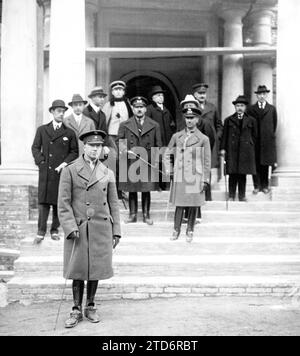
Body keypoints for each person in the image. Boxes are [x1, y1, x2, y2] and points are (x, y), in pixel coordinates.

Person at [58, 130, 121, 329]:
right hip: (78, 227)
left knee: (96, 269)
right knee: (77, 269)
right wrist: (69, 226)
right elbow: (63, 203)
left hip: (101, 227)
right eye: (92, 146)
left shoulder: (107, 172)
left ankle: (90, 306)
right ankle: (75, 308)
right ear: (84, 147)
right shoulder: (70, 170)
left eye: (99, 146)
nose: (95, 149)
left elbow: (114, 203)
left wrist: (116, 230)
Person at [31, 100, 78, 244]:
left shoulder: (69, 132)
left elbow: (74, 151)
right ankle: (41, 231)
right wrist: (41, 162)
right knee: (44, 202)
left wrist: (64, 164)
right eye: (58, 111)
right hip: (46, 172)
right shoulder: (42, 130)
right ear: (52, 112)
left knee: (59, 201)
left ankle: (55, 230)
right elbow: (35, 148)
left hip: (61, 172)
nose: (61, 113)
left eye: (63, 111)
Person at [164, 107, 211, 243]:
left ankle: (190, 230)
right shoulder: (177, 136)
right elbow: (167, 153)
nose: (189, 120)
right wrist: (169, 170)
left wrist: (205, 180)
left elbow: (207, 161)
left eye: (192, 118)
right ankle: (176, 229)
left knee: (193, 204)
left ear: (197, 120)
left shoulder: (203, 139)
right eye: (187, 118)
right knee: (179, 204)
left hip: (195, 175)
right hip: (180, 175)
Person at [118, 96, 162, 225]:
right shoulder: (124, 125)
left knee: (146, 189)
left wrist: (155, 160)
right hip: (131, 160)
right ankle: (132, 215)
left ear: (145, 109)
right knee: (132, 189)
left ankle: (146, 215)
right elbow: (119, 141)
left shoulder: (154, 125)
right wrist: (125, 149)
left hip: (147, 160)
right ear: (132, 108)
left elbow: (158, 144)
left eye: (141, 107)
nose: (139, 110)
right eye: (136, 107)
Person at [220, 95, 257, 202]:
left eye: (242, 106)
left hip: (245, 151)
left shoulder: (251, 120)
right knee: (232, 174)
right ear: (235, 107)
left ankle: (242, 196)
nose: (239, 108)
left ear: (245, 107)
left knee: (242, 174)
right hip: (232, 150)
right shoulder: (229, 120)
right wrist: (223, 149)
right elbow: (224, 136)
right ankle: (231, 196)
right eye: (237, 106)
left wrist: (250, 147)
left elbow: (255, 136)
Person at [247, 85, 277, 194]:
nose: (262, 96)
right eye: (260, 94)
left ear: (267, 95)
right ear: (257, 95)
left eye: (264, 94)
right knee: (255, 164)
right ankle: (256, 186)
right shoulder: (251, 109)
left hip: (267, 141)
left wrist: (268, 135)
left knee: (265, 164)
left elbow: (274, 124)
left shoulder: (271, 109)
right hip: (255, 140)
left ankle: (265, 186)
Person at [146, 85, 176, 190]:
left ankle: (165, 186)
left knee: (165, 163)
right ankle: (156, 186)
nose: (161, 97)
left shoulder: (166, 110)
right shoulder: (150, 110)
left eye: (162, 95)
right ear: (153, 98)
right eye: (158, 95)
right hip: (155, 142)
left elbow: (172, 126)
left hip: (166, 142)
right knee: (156, 163)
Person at [192, 83, 223, 170]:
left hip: (211, 143)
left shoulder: (212, 107)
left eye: (204, 93)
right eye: (200, 93)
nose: (202, 95)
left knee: (208, 167)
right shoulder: (191, 107)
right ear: (195, 94)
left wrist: (216, 137)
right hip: (196, 142)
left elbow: (219, 125)